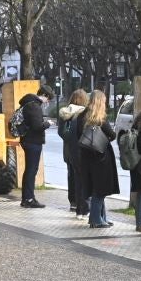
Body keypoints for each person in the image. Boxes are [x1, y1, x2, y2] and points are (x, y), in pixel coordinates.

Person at [74, 89, 119, 229]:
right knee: (100, 190)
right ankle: (95, 220)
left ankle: (102, 217)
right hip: (100, 158)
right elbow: (112, 135)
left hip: (86, 157)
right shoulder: (100, 119)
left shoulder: (81, 116)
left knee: (95, 188)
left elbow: (77, 136)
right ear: (100, 102)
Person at [16, 85, 52, 208]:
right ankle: (29, 199)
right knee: (31, 171)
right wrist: (47, 123)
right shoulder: (34, 106)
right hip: (33, 142)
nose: (47, 102)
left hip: (27, 140)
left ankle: (26, 198)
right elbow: (37, 126)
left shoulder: (28, 103)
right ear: (45, 96)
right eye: (48, 99)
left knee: (29, 170)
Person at [57, 89, 88, 217]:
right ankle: (82, 203)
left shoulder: (65, 112)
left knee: (71, 175)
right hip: (79, 148)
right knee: (81, 177)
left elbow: (60, 131)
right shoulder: (83, 113)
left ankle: (73, 201)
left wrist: (69, 139)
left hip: (68, 149)